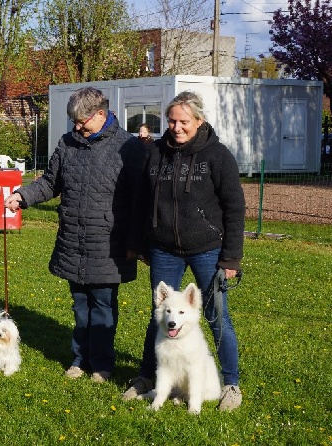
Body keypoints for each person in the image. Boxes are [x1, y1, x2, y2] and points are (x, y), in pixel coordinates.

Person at [4, 87, 146, 383]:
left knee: (104, 307)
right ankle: (80, 359)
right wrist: (22, 196)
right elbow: (50, 182)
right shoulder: (68, 143)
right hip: (73, 239)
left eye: (83, 122)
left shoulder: (128, 147)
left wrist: (136, 240)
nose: (78, 128)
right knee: (81, 306)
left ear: (101, 114)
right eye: (75, 123)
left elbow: (139, 198)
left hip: (109, 243)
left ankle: (103, 365)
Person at [122, 91, 245, 411]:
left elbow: (235, 207)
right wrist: (138, 243)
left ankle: (230, 384)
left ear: (199, 121)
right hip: (163, 249)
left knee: (217, 317)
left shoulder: (218, 155)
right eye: (172, 121)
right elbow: (141, 202)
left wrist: (231, 257)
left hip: (207, 249)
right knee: (160, 316)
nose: (176, 127)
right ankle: (147, 377)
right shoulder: (156, 153)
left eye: (184, 122)